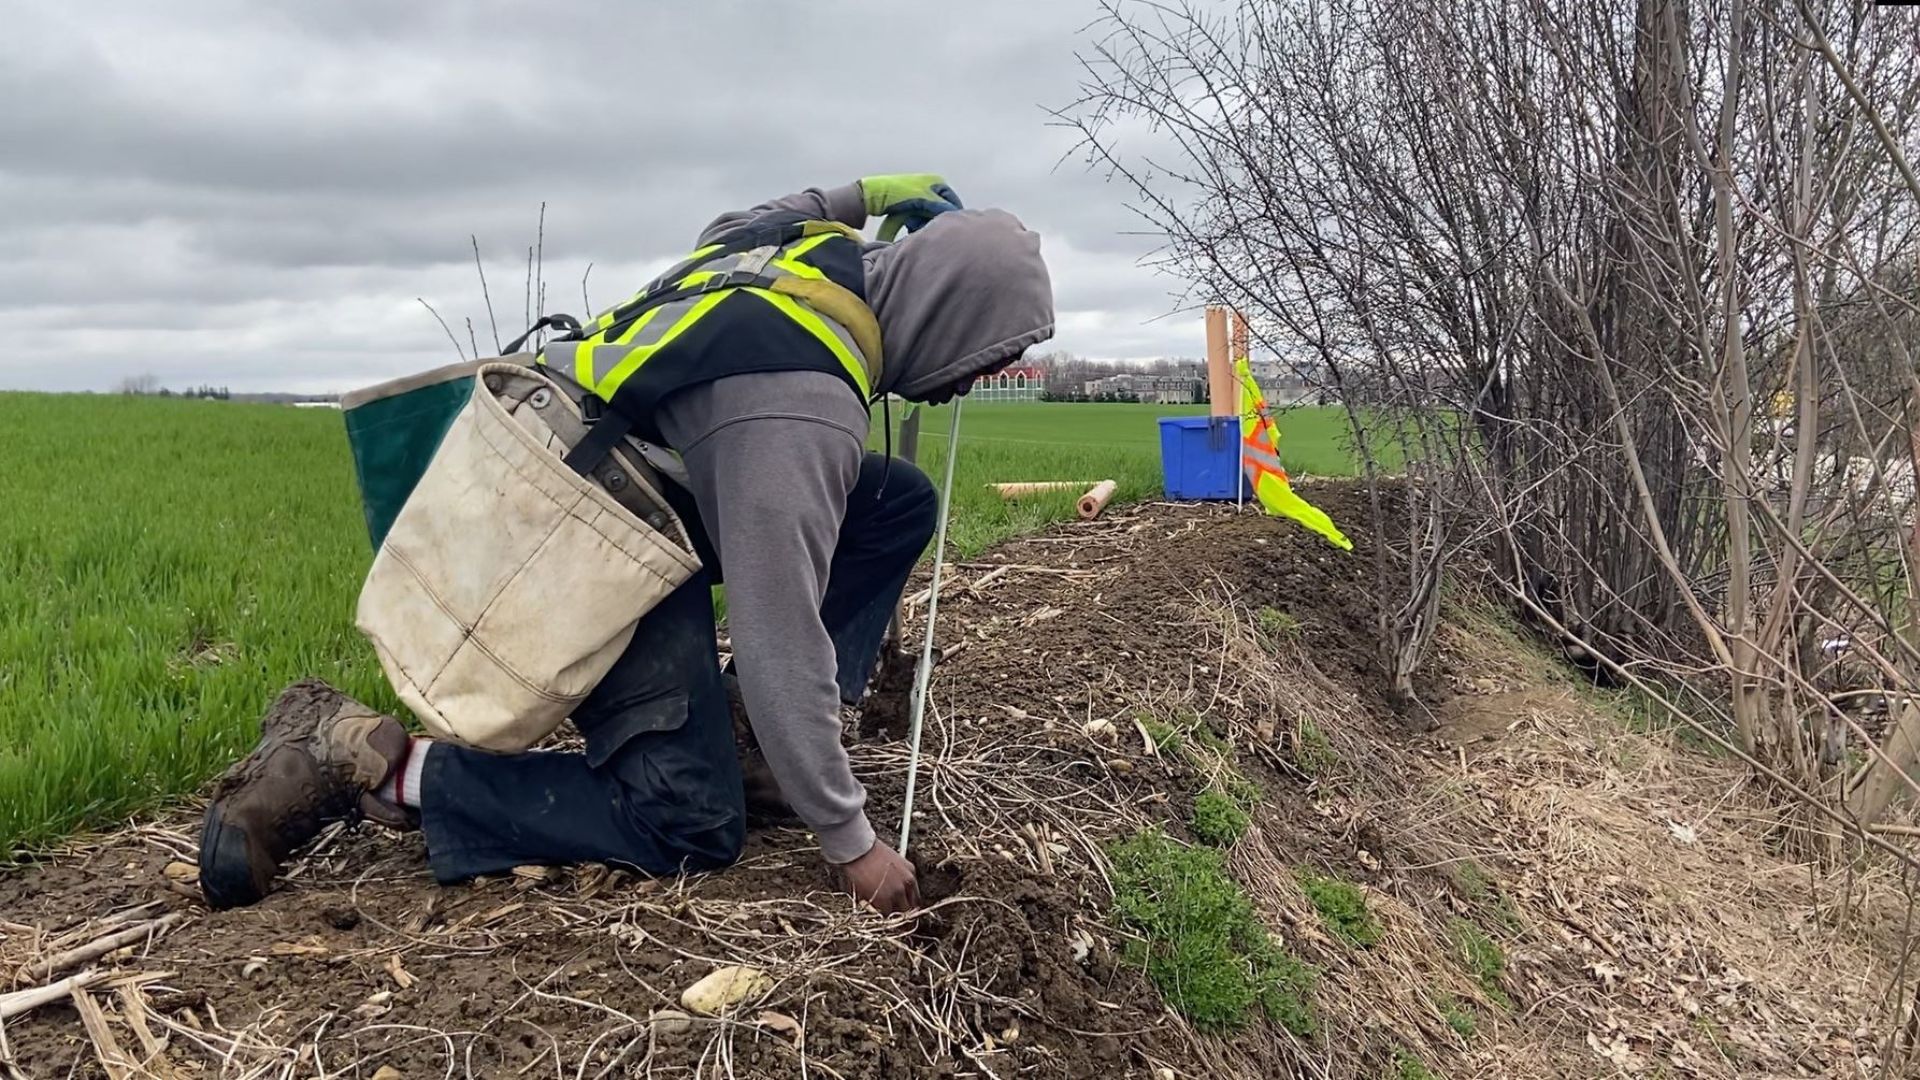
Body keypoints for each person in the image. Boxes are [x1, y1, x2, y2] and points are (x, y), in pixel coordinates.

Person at [197, 175, 1055, 915]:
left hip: (601, 485)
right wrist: (850, 840)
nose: (975, 382)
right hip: (568, 539)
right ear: (950, 314)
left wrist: (859, 196)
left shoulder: (796, 263)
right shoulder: (798, 411)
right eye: (990, 354)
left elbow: (734, 225)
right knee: (687, 821)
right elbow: (776, 634)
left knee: (895, 500)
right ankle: (361, 758)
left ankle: (752, 744)